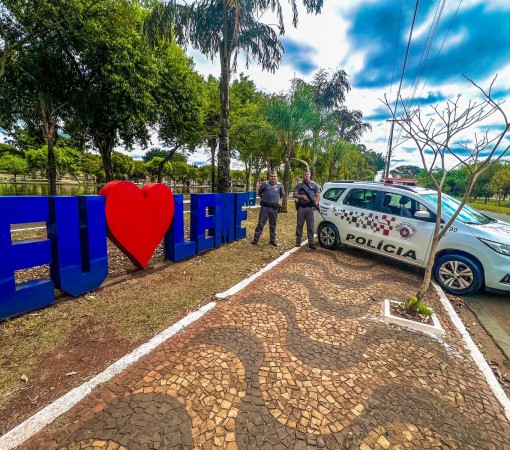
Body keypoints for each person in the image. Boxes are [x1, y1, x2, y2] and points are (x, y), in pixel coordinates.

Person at [252, 172, 285, 247]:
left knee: (273, 224)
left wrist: (275, 201)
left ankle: (272, 240)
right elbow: (260, 193)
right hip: (265, 207)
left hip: (274, 208)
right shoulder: (265, 184)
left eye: (274, 176)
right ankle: (256, 239)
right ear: (269, 176)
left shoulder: (280, 185)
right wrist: (265, 199)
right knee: (261, 223)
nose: (273, 177)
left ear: (277, 177)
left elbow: (282, 194)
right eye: (271, 176)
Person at [293, 170, 321, 249]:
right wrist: (302, 196)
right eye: (305, 174)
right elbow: (294, 195)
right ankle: (298, 241)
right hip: (301, 207)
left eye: (307, 174)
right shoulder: (299, 185)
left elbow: (318, 195)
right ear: (303, 175)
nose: (306, 176)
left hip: (310, 208)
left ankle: (311, 242)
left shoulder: (314, 184)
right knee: (299, 224)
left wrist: (315, 204)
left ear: (310, 175)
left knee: (310, 225)